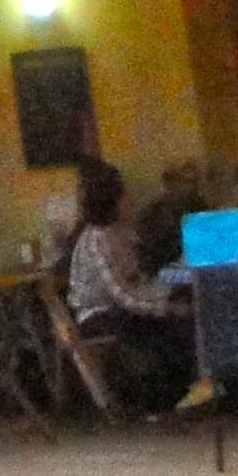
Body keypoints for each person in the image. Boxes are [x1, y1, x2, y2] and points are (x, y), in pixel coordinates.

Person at [62, 154, 196, 413]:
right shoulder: (98, 241)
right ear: (111, 202)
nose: (130, 200)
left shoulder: (124, 233)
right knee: (163, 326)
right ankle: (166, 397)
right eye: (124, 196)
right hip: (101, 314)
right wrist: (167, 307)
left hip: (128, 303)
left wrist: (187, 272)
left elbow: (144, 280)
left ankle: (184, 392)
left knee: (178, 309)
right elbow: (123, 295)